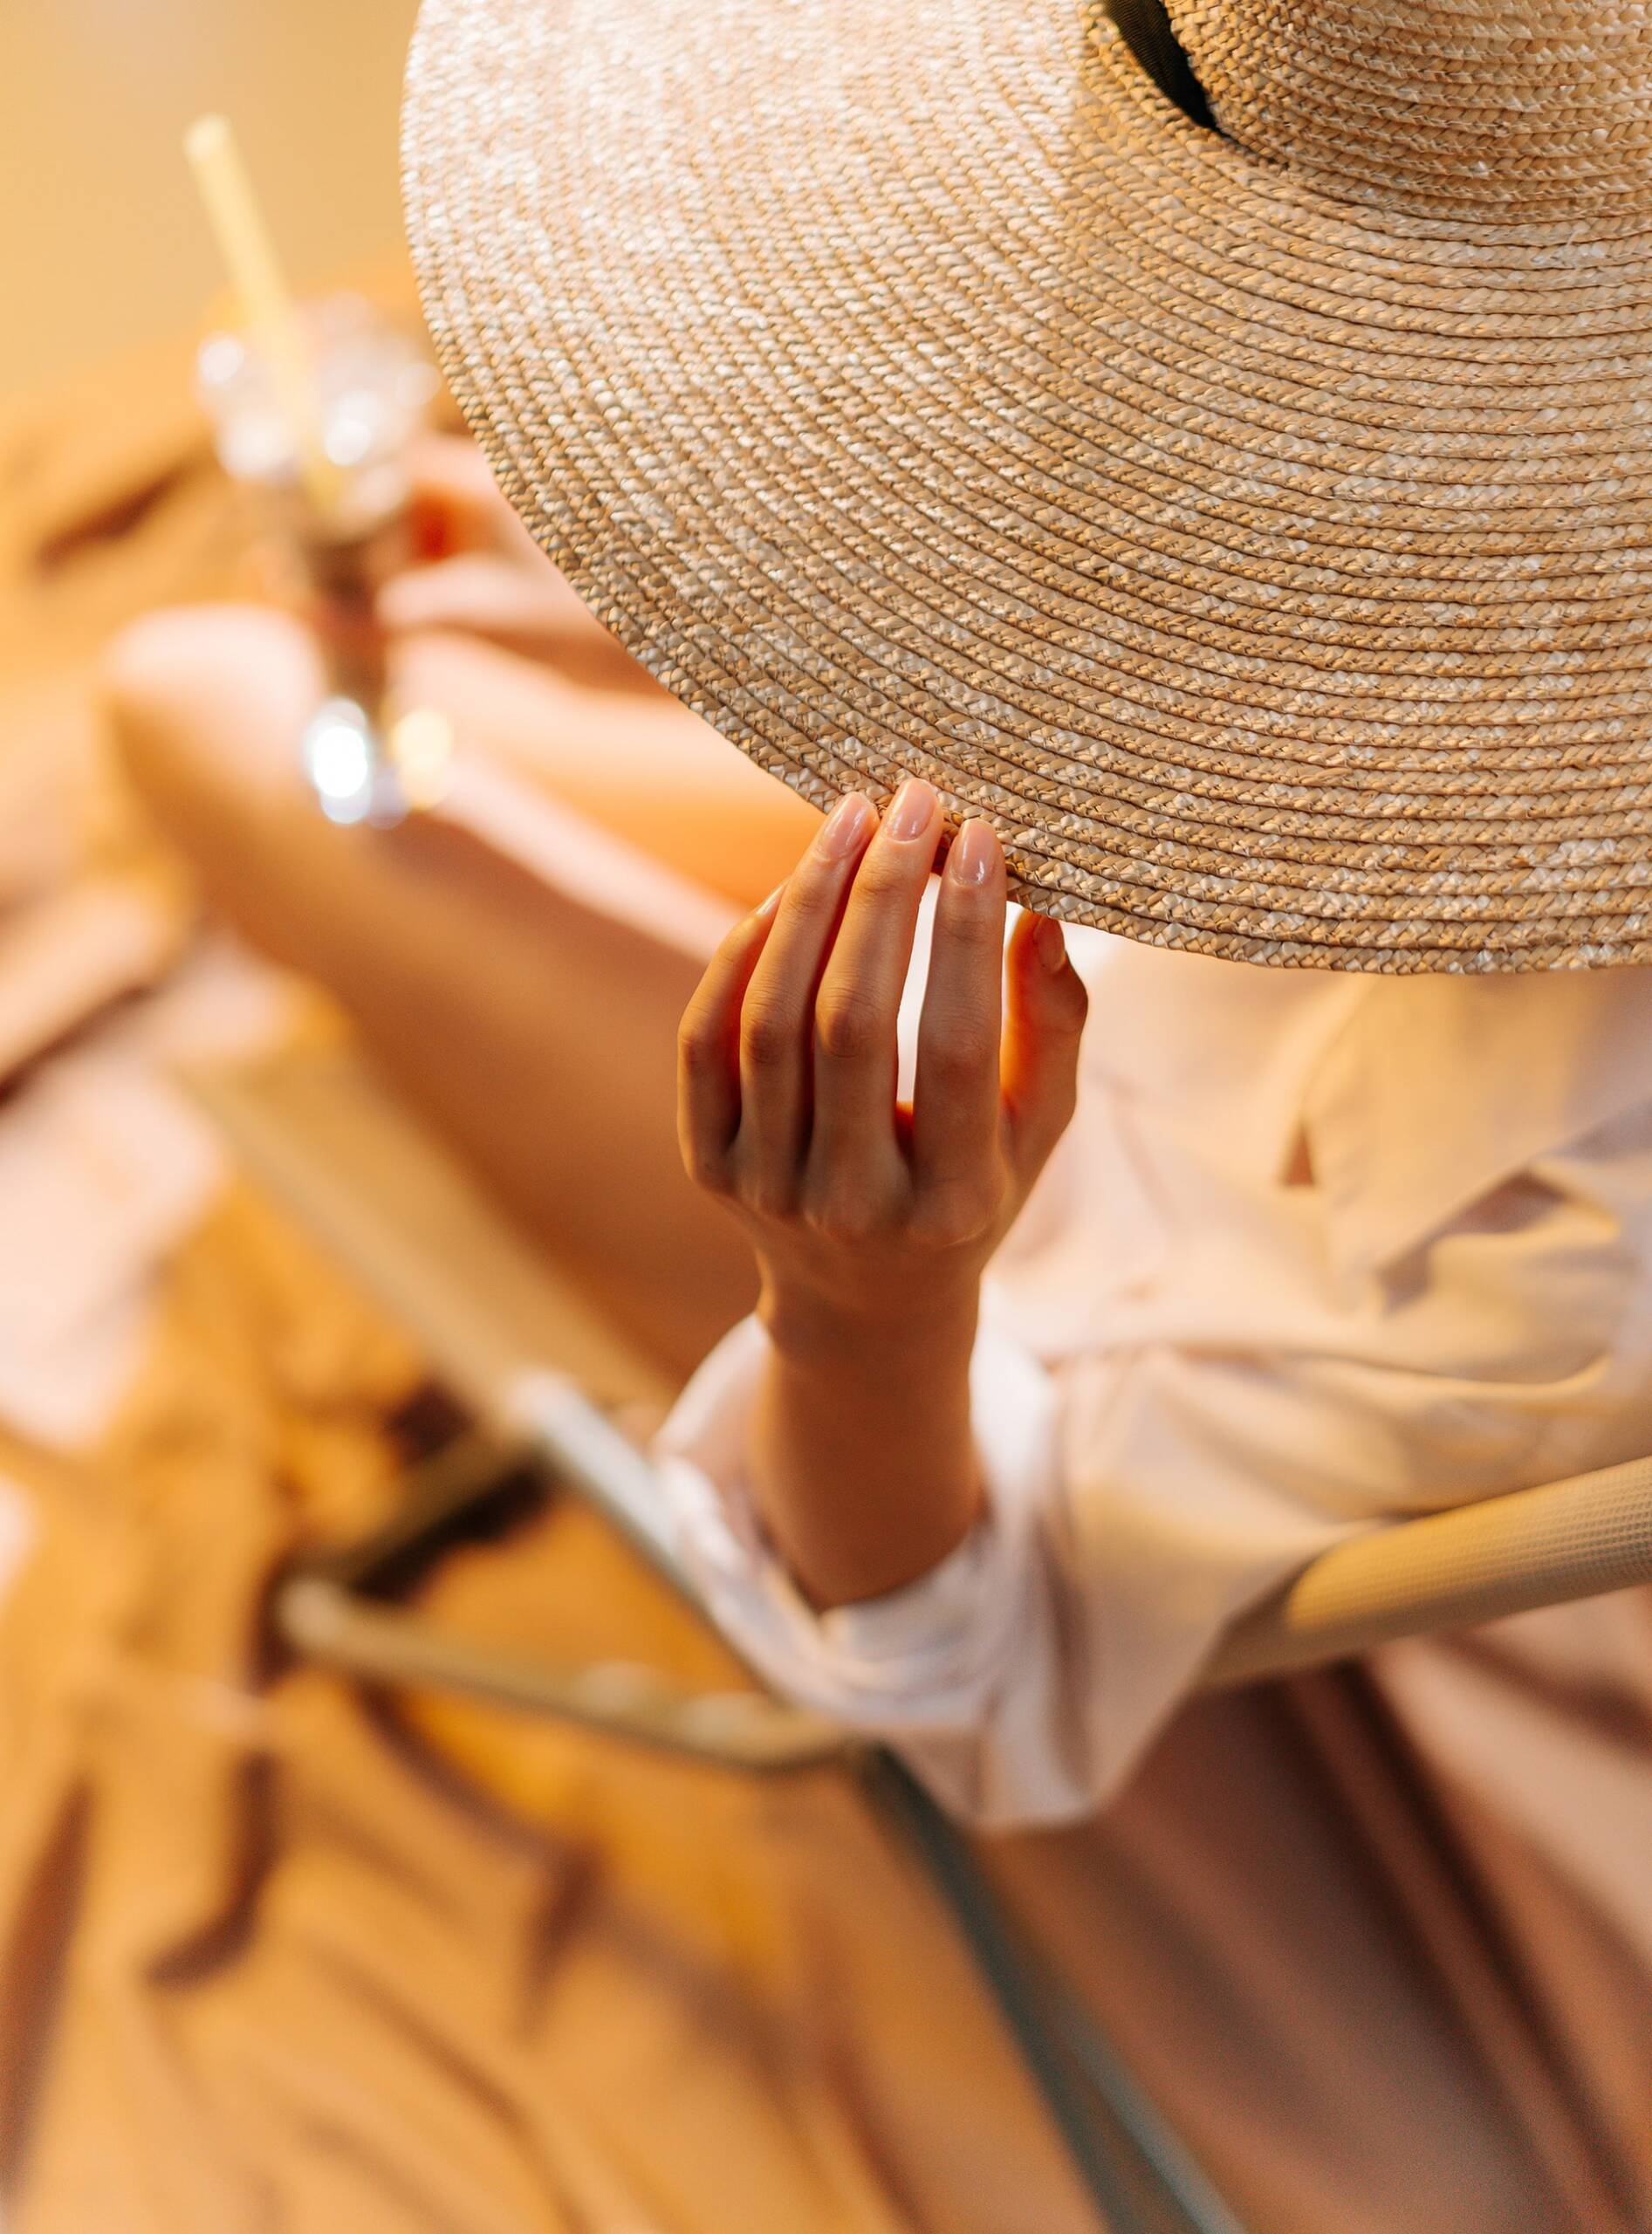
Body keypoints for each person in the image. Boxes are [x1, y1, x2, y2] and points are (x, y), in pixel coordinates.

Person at [109, 0, 1652, 2221]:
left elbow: (965, 1628)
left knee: (201, 701)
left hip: (972, 1193)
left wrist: (860, 1307)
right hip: (1081, 919)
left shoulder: (1553, 1236)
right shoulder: (1450, 768)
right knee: (376, 647)